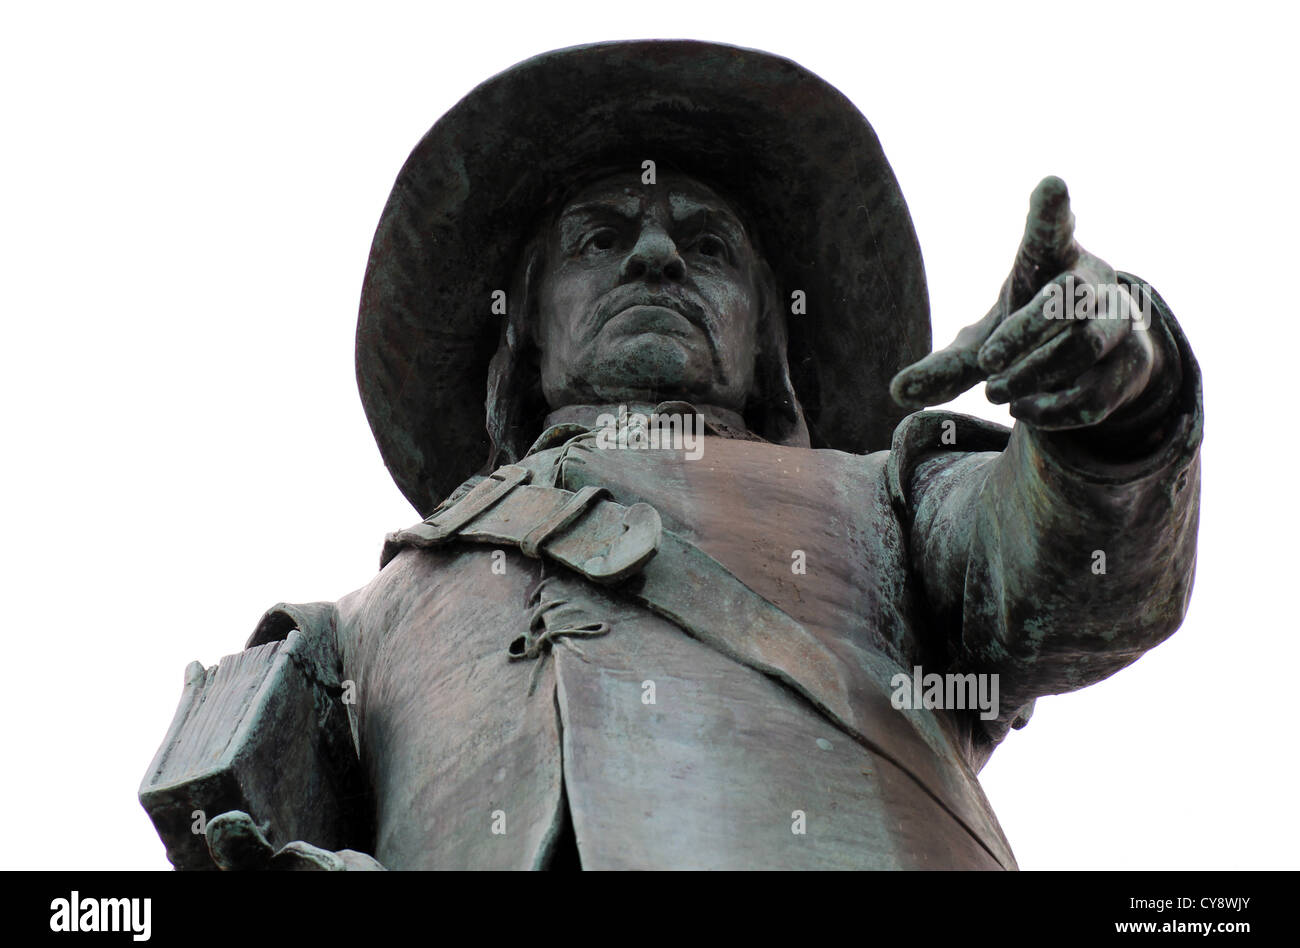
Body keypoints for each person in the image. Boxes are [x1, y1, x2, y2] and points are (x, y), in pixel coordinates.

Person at [143, 40, 1201, 870]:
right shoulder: (342, 636)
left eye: (706, 245)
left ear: (762, 339)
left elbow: (1072, 582)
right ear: (528, 334)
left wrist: (1115, 405)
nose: (653, 254)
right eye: (599, 238)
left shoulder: (882, 503)